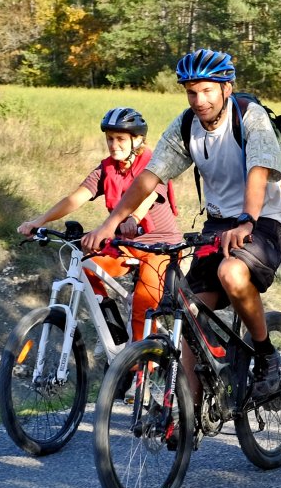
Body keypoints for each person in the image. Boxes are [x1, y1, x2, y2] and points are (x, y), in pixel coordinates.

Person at [81, 49, 281, 404]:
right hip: (218, 222)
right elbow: (150, 176)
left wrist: (246, 220)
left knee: (232, 272)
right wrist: (110, 223)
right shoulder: (186, 125)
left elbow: (258, 171)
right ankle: (186, 417)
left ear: (227, 88)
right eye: (192, 92)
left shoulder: (250, 117)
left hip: (265, 219)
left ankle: (267, 358)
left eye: (207, 90)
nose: (199, 100)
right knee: (182, 314)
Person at [18, 107, 182, 341]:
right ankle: (113, 330)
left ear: (137, 140)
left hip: (159, 245)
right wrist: (38, 221)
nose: (114, 144)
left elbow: (147, 197)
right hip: (126, 244)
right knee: (88, 265)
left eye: (120, 139)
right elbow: (74, 198)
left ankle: (141, 371)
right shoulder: (107, 168)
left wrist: (133, 218)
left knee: (143, 309)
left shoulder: (153, 164)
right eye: (109, 139)